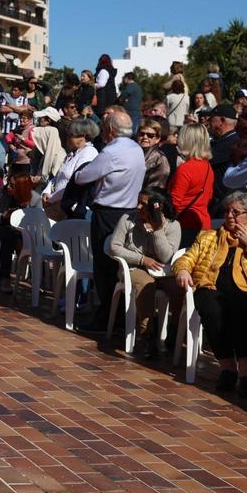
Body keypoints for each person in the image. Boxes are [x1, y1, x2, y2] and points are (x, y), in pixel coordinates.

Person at [175, 192, 247, 397]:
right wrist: (183, 269)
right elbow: (186, 257)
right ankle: (227, 367)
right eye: (227, 211)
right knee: (210, 308)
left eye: (235, 212)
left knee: (241, 309)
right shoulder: (209, 236)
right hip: (211, 287)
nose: (229, 215)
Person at [74, 107, 146, 331]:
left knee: (105, 268)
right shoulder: (137, 149)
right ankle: (119, 317)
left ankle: (106, 319)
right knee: (120, 266)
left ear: (110, 131)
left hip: (108, 213)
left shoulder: (111, 152)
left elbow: (83, 177)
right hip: (131, 213)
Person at [109, 189, 181, 358]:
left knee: (179, 288)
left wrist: (157, 230)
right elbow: (114, 246)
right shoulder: (128, 219)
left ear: (157, 207)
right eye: (138, 201)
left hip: (163, 270)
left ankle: (175, 330)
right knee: (146, 285)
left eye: (143, 203)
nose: (138, 206)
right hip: (135, 267)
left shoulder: (173, 225)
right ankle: (147, 334)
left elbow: (166, 256)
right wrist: (141, 259)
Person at [169, 122, 215, 246]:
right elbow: (209, 196)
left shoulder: (185, 169)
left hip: (185, 226)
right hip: (203, 223)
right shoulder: (208, 167)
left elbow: (175, 202)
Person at [207, 104, 240, 215]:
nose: (208, 122)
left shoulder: (230, 143)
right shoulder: (226, 140)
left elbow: (205, 160)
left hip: (224, 206)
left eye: (211, 119)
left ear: (221, 121)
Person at [138, 117, 171, 192]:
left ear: (157, 139)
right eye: (142, 134)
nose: (145, 137)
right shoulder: (134, 152)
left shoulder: (160, 159)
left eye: (150, 135)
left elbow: (155, 189)